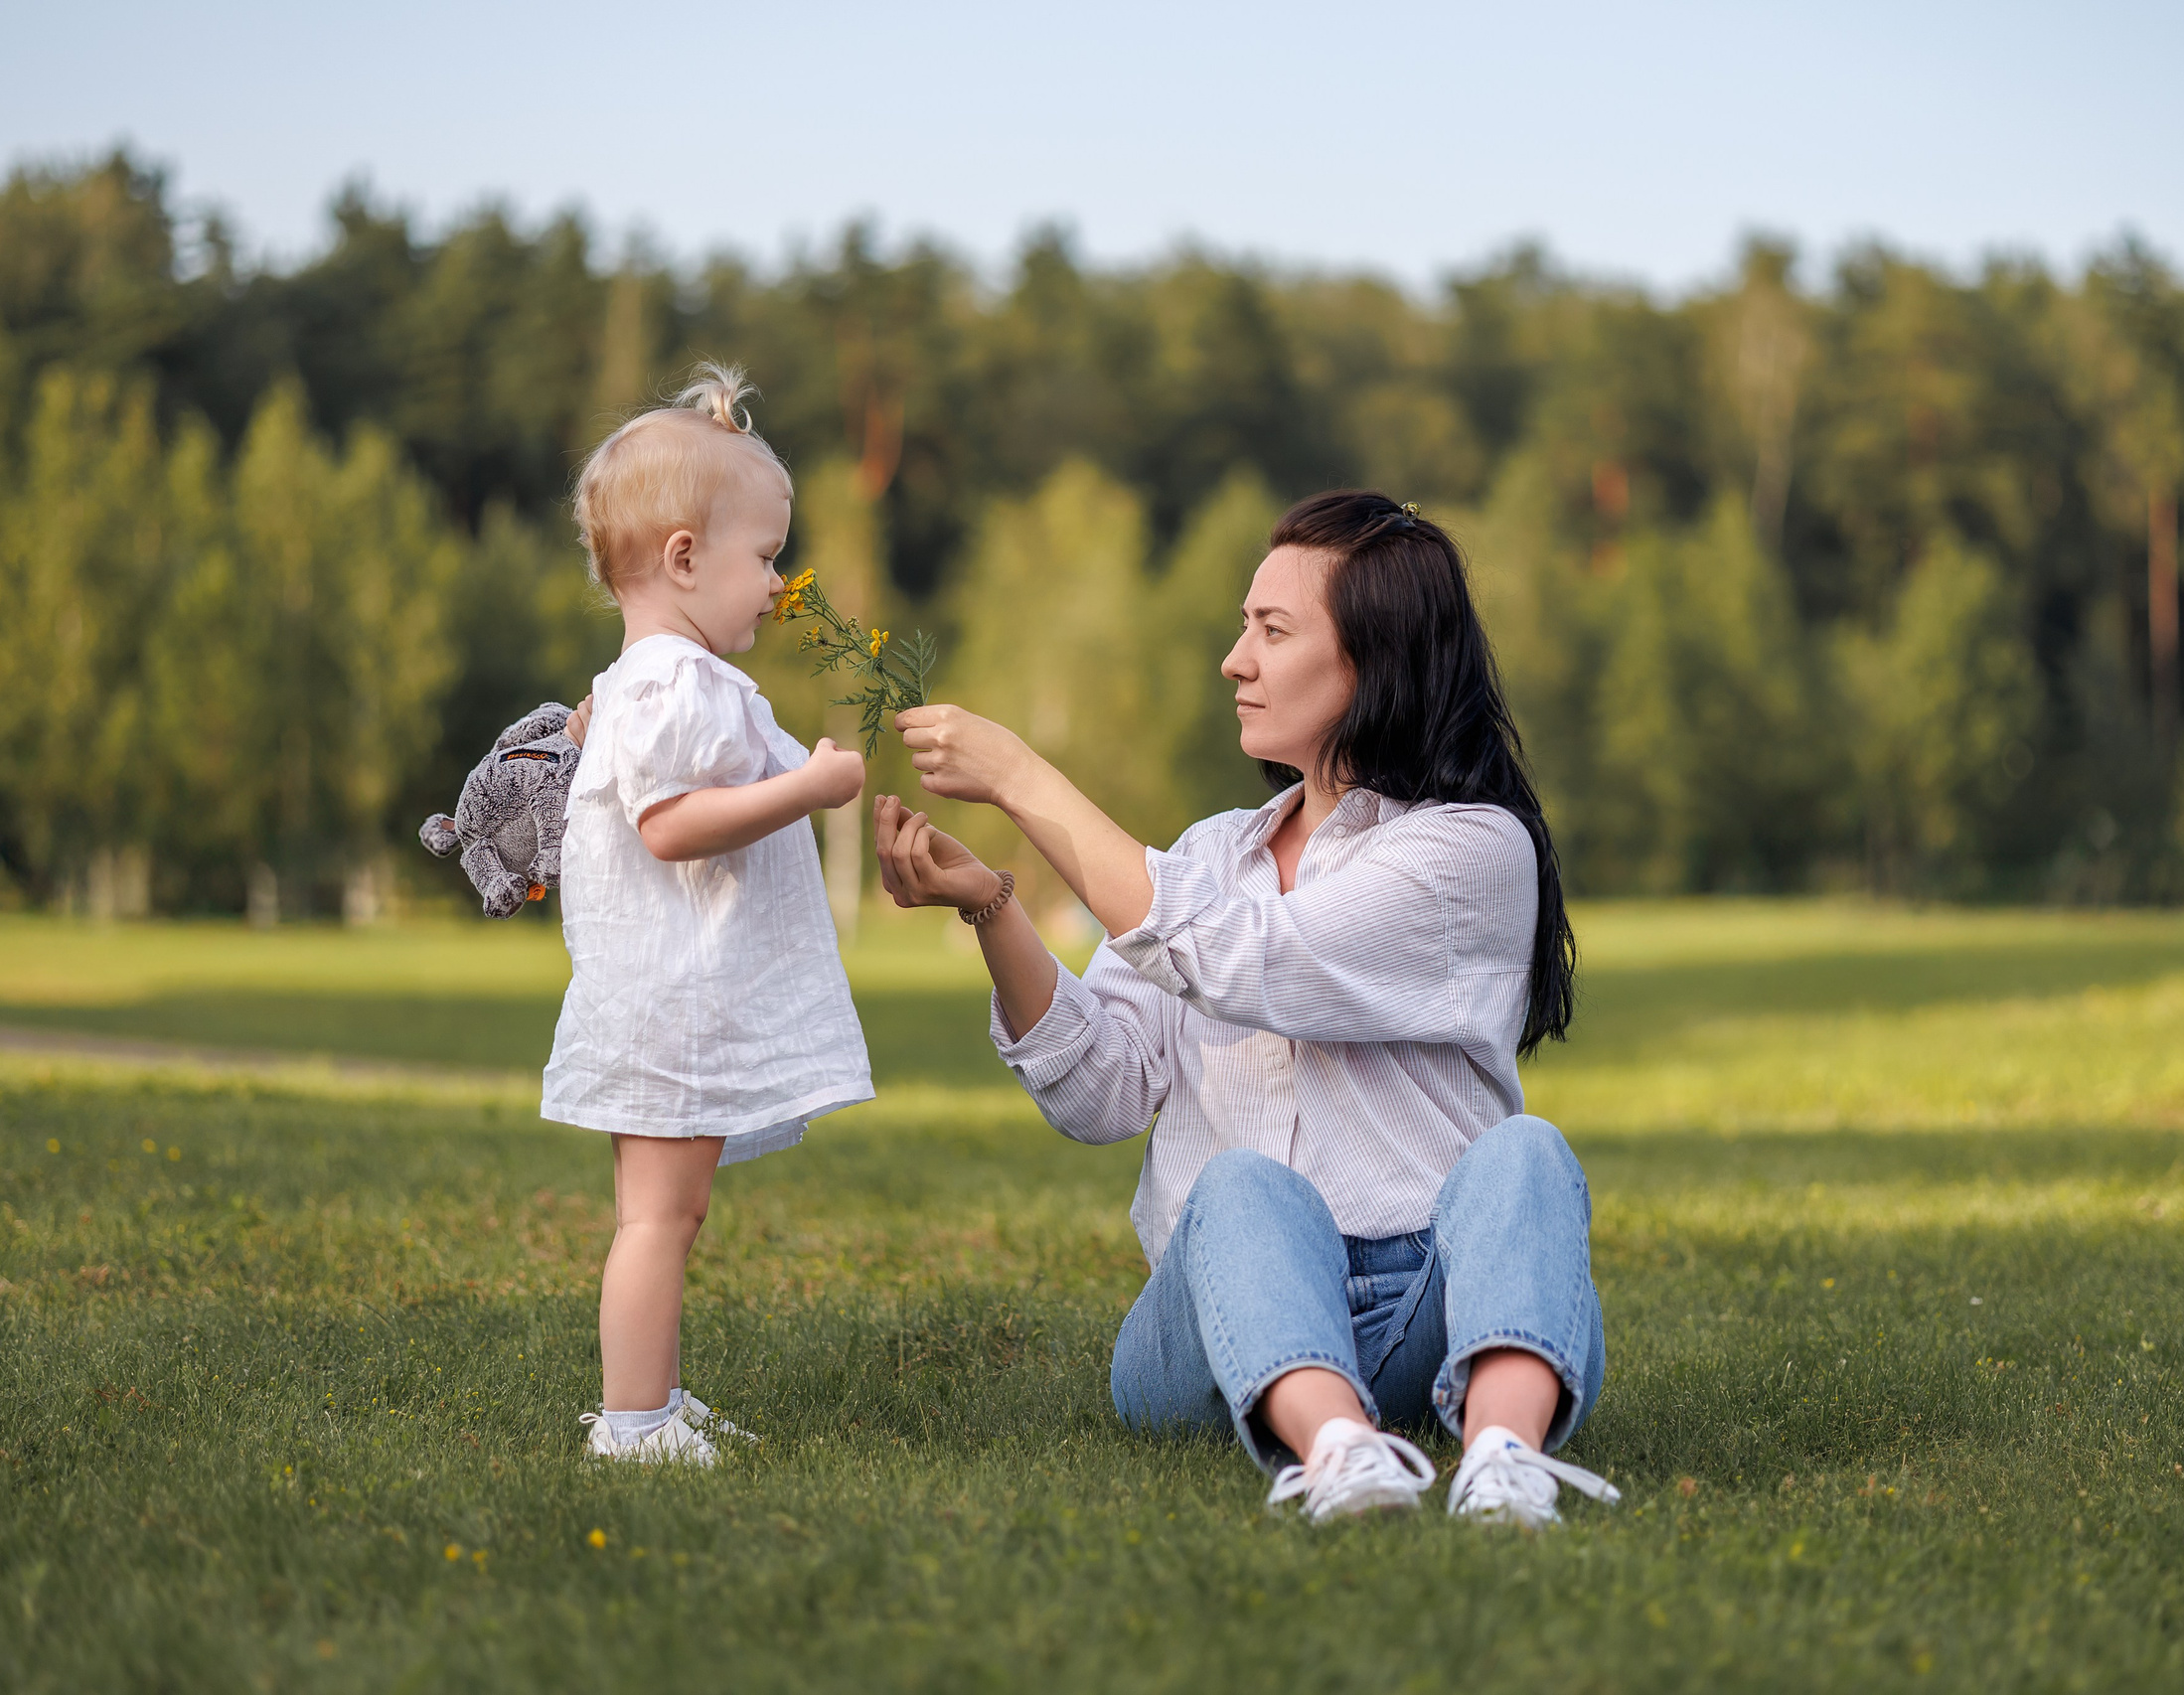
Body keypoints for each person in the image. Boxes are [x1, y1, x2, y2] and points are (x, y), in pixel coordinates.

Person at [873, 491, 1616, 1526]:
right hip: (1220, 1309)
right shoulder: (1210, 852)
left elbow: (1246, 955)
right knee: (1239, 1188)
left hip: (1423, 1304)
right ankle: (1338, 1450)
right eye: (1242, 625)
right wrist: (994, 906)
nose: (1236, 659)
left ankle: (1501, 1457)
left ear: (1377, 659)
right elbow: (1102, 1091)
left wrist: (1021, 779)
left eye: (1272, 630)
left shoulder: (1468, 850)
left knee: (1527, 1153)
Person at [545, 364, 872, 1465]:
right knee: (656, 1219)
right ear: (685, 557)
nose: (779, 585)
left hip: (665, 994)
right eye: (766, 557)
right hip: (668, 1000)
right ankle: (633, 1422)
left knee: (666, 1215)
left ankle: (656, 1399)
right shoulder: (673, 683)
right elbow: (674, 824)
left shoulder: (654, 679)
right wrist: (810, 788)